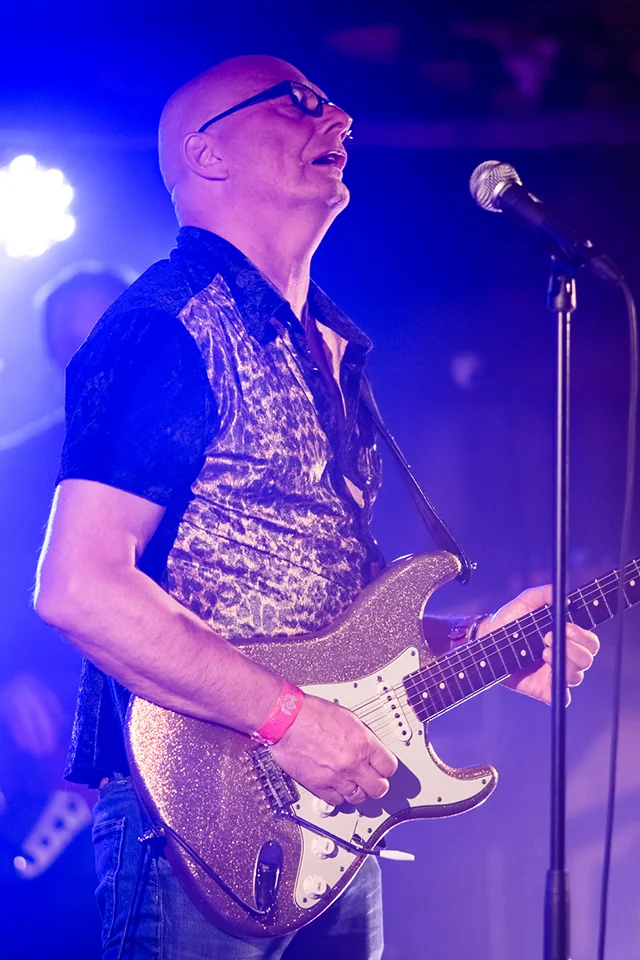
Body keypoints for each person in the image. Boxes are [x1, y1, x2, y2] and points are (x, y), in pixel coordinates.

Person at [33, 56, 599, 960]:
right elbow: (79, 588)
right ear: (206, 153)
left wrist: (478, 641)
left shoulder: (328, 342)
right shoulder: (167, 325)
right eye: (296, 104)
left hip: (331, 824)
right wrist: (289, 722)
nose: (337, 118)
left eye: (330, 102)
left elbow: (336, 628)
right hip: (191, 823)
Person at [0, 263, 132, 959]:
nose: (94, 355)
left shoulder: (199, 454)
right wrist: (7, 675)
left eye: (110, 332)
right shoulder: (16, 465)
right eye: (75, 343)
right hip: (51, 753)